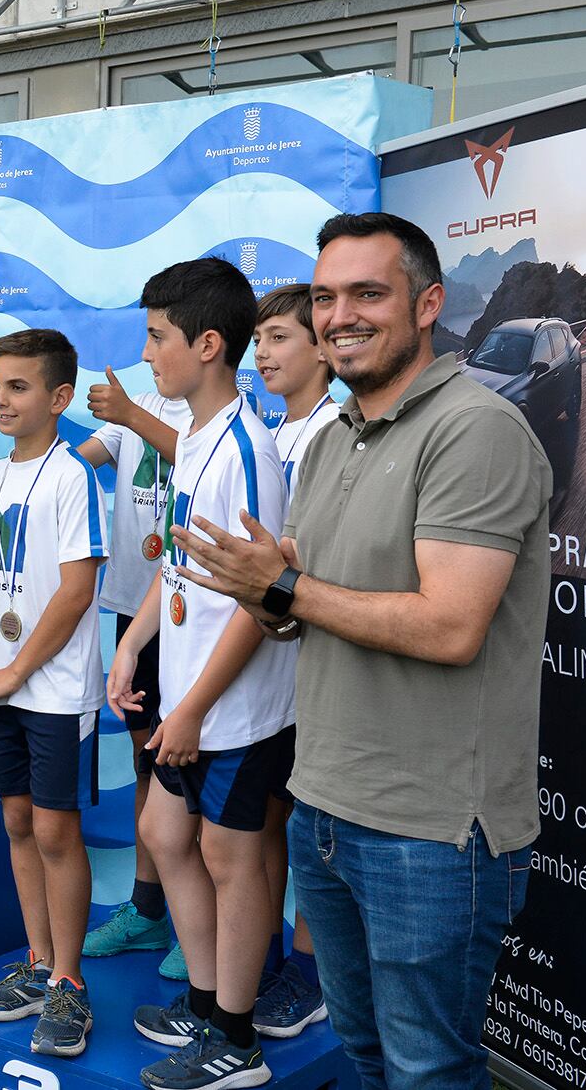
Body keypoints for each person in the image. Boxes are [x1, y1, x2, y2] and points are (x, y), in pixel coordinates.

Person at [171, 214, 552, 1090]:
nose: (341, 314)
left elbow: (451, 626)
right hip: (325, 806)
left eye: (367, 293)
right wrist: (260, 593)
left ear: (427, 304)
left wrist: (284, 590)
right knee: (367, 1054)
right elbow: (298, 609)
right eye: (325, 296)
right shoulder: (333, 436)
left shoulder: (475, 429)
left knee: (428, 1069)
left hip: (435, 829)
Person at [110, 257, 294, 1090]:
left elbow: (265, 602)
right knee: (161, 834)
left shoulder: (248, 450)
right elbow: (179, 566)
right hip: (188, 695)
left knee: (228, 853)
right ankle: (207, 999)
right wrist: (132, 641)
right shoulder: (194, 439)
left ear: (208, 343)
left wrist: (193, 710)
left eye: (157, 336)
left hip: (236, 708)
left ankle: (236, 1038)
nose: (147, 354)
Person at [0, 329, 106, 1058]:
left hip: (52, 689)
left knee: (54, 830)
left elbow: (78, 590)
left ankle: (70, 986)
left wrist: (13, 672)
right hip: (0, 683)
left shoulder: (72, 474)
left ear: (59, 398)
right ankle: (39, 961)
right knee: (17, 820)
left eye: (17, 386)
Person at [236, 282, 335, 1042]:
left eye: (279, 338)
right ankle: (271, 964)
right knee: (269, 823)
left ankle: (309, 975)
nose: (262, 354)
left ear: (322, 344)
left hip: (318, 676)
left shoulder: (332, 428)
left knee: (304, 828)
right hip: (275, 669)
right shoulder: (275, 430)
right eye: (259, 339)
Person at [74, 356, 186, 977]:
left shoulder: (219, 419)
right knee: (149, 762)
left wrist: (132, 416)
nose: (147, 352)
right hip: (133, 614)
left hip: (193, 618)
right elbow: (77, 461)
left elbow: (192, 457)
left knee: (187, 768)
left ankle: (197, 922)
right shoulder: (135, 408)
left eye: (159, 335)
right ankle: (147, 911)